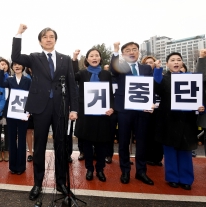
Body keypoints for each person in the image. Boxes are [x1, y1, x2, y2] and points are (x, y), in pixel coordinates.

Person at [11, 24, 78, 201]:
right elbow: (15, 56)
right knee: (39, 147)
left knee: (61, 145)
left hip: (61, 107)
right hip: (40, 108)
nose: (49, 39)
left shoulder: (65, 59)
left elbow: (72, 85)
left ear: (55, 40)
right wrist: (18, 34)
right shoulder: (34, 58)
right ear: (40, 41)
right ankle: (38, 183)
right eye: (45, 37)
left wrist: (74, 109)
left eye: (51, 36)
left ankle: (61, 182)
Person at [153, 52, 205, 190]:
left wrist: (200, 107)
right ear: (167, 64)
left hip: (186, 120)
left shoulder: (191, 78)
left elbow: (198, 96)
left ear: (182, 63)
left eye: (178, 60)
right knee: (169, 150)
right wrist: (157, 70)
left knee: (186, 150)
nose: (176, 62)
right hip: (168, 120)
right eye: (172, 60)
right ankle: (172, 177)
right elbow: (156, 88)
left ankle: (186, 179)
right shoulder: (164, 79)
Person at [110, 42, 154, 185]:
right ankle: (125, 171)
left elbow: (151, 87)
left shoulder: (146, 68)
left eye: (134, 49)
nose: (132, 52)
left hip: (142, 110)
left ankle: (141, 171)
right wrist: (115, 51)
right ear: (123, 55)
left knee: (142, 141)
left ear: (138, 52)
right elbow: (112, 69)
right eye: (128, 50)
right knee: (123, 141)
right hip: (124, 110)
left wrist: (152, 103)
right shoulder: (121, 67)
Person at [72, 49, 114, 182]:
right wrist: (74, 58)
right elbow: (72, 75)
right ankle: (89, 169)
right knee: (87, 144)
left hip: (102, 114)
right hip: (86, 114)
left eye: (97, 55)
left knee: (102, 144)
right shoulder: (82, 73)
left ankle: (100, 169)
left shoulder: (106, 74)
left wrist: (112, 107)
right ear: (87, 59)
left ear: (100, 58)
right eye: (91, 56)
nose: (94, 57)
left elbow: (110, 93)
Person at [0, 62, 31, 174]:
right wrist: (1, 71)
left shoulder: (28, 80)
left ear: (23, 67)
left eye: (19, 65)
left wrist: (28, 112)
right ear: (12, 67)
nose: (17, 66)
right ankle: (13, 166)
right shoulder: (10, 80)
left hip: (23, 113)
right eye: (15, 65)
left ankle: (21, 167)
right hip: (11, 112)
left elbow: (31, 96)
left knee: (22, 139)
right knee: (12, 139)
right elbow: (2, 84)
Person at [141, 56, 164, 166]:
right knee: (147, 135)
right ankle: (147, 157)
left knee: (158, 135)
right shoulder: (141, 78)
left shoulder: (160, 76)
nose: (149, 64)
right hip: (145, 110)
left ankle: (157, 158)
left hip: (159, 110)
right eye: (146, 63)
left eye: (151, 62)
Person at [0, 58, 11, 162]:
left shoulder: (12, 78)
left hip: (8, 109)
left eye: (5, 64)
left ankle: (7, 150)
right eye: (1, 64)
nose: (3, 66)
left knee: (7, 131)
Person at [25, 67, 34, 162]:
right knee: (29, 131)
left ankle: (37, 151)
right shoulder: (25, 78)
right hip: (28, 107)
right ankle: (30, 152)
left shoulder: (42, 77)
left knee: (39, 131)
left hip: (40, 107)